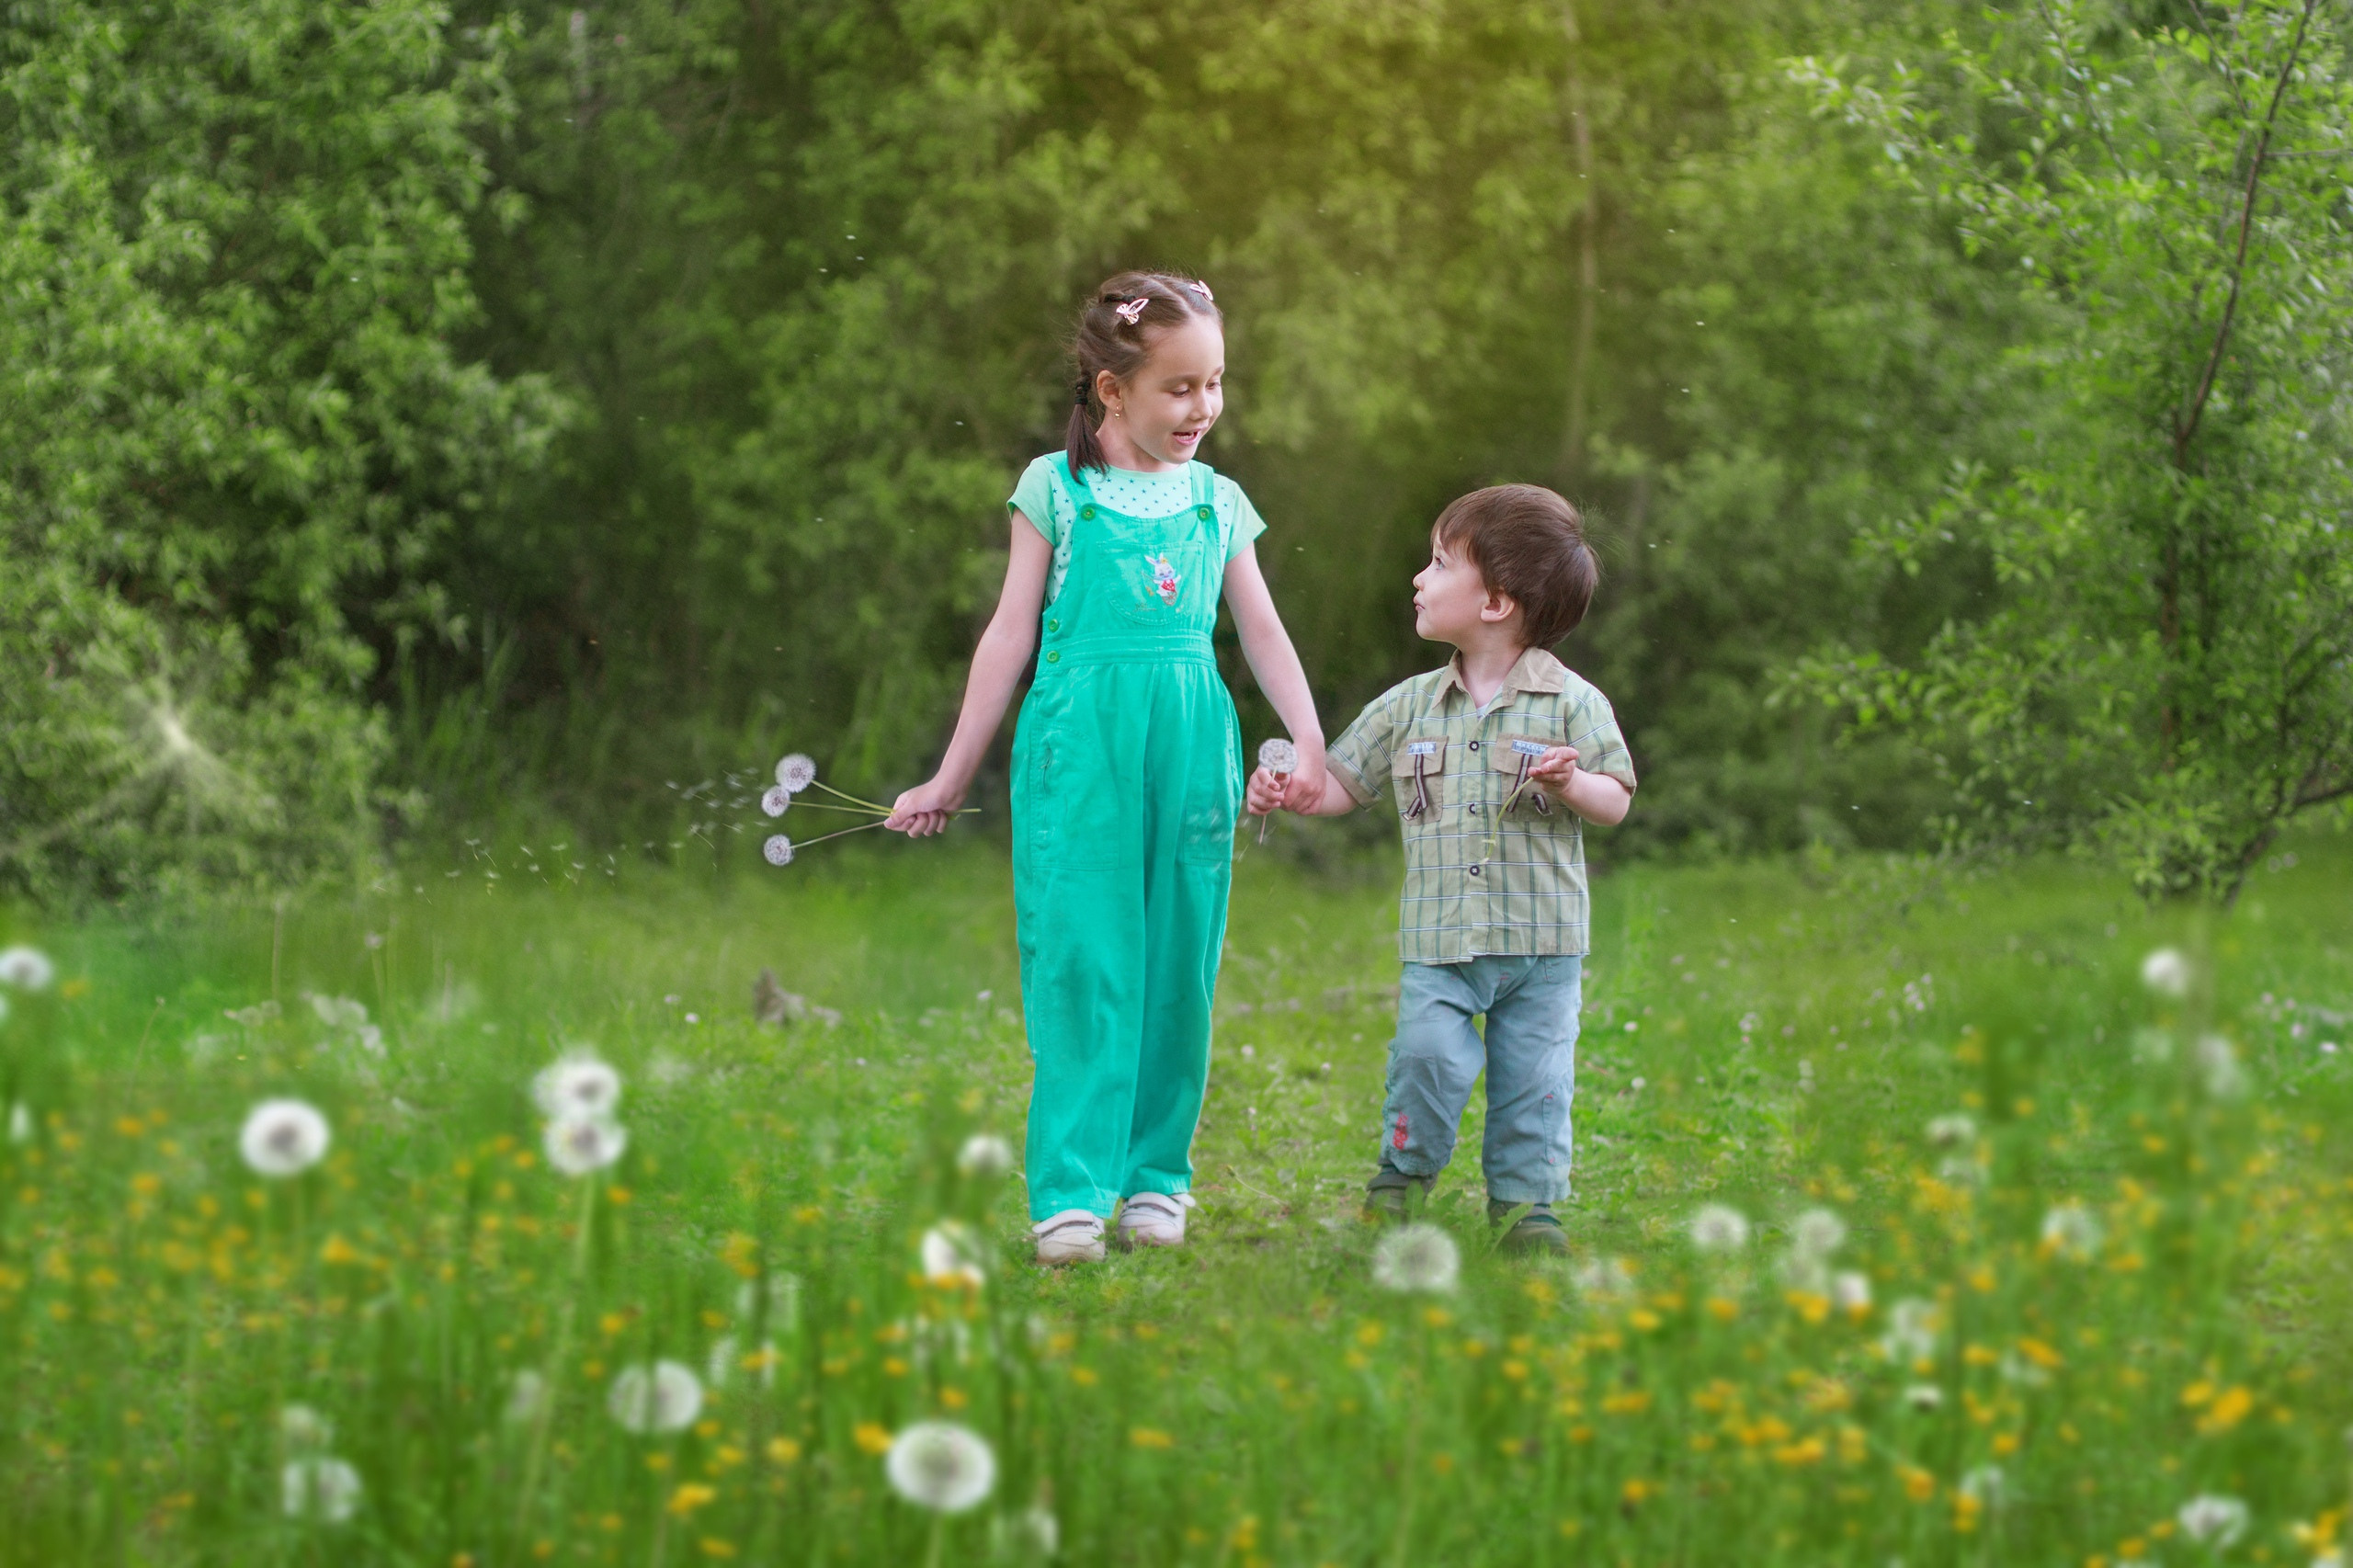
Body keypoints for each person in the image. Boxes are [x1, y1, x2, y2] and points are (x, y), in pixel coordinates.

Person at [887, 272, 1325, 1266]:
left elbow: (1261, 630)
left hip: (1187, 749)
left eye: (1213, 384)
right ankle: (1072, 1194)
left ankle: (1155, 1178)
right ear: (1109, 388)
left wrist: (1309, 742)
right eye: (1179, 387)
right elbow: (1008, 635)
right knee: (1084, 956)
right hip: (1078, 751)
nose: (1202, 408)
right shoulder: (1055, 487)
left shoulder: (1220, 500)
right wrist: (950, 774)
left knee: (1179, 959)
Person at [1245, 484, 1633, 1254]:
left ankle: (1527, 1213)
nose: (1418, 580)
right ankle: (1401, 1179)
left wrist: (1569, 782)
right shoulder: (1408, 707)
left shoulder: (1572, 704)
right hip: (1441, 942)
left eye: (1437, 563)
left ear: (1495, 601)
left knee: (1536, 1083)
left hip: (1544, 945)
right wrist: (1289, 789)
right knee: (1426, 1060)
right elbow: (1341, 786)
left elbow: (1614, 798)